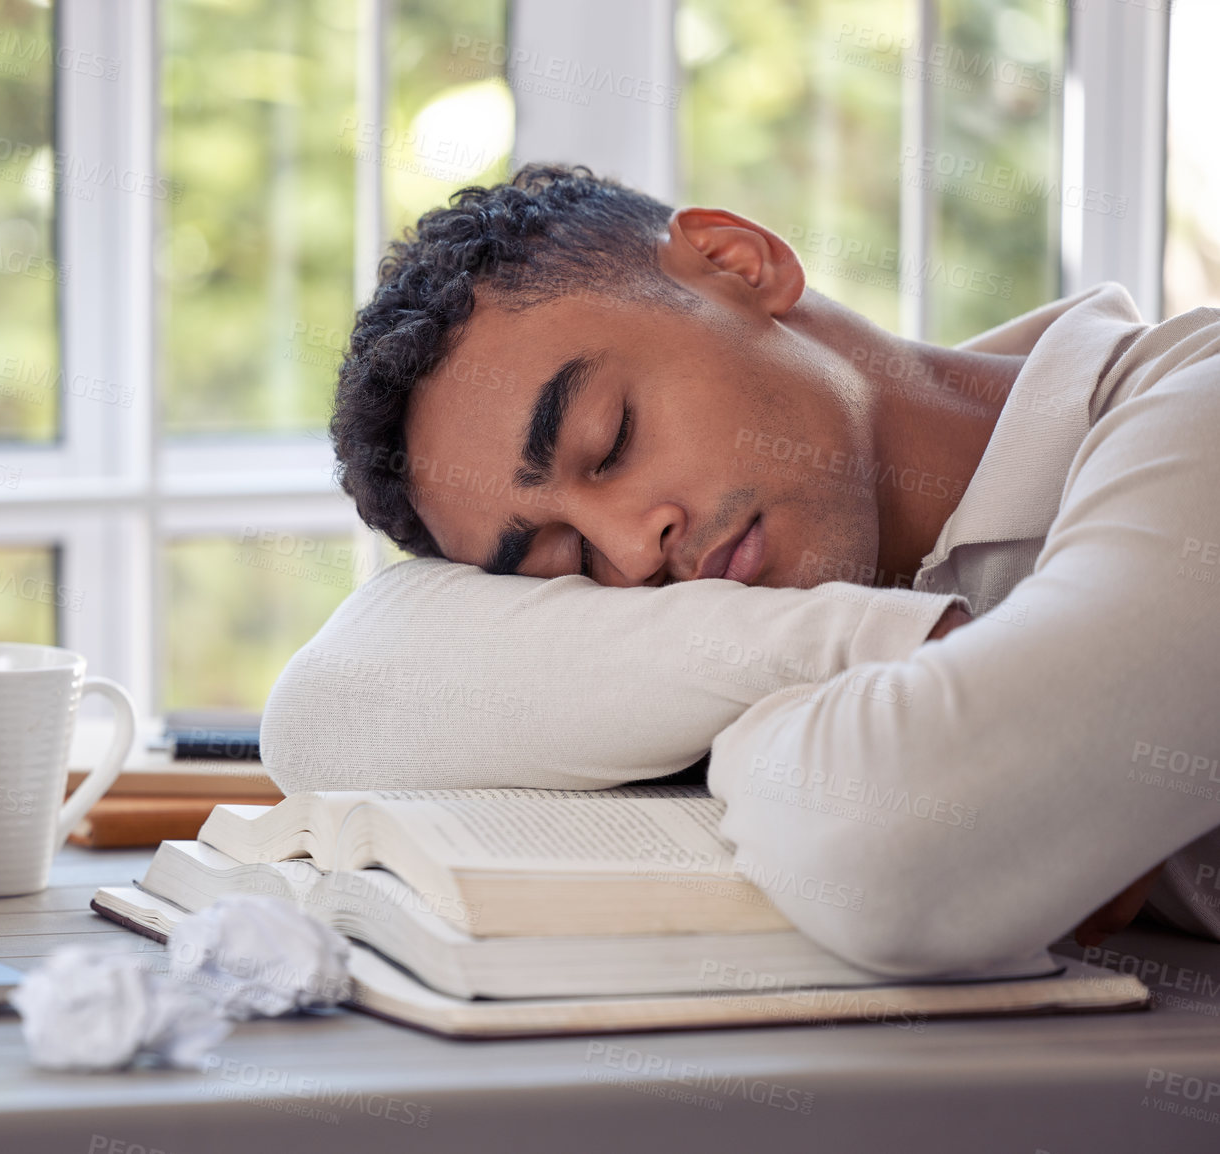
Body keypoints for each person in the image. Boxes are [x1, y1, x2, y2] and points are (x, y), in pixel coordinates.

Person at [260, 164, 1220, 977]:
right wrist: (853, 645)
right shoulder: (839, 617)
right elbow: (319, 713)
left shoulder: (1195, 411)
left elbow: (900, 856)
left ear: (735, 262)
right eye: (566, 559)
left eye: (610, 441)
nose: (632, 555)